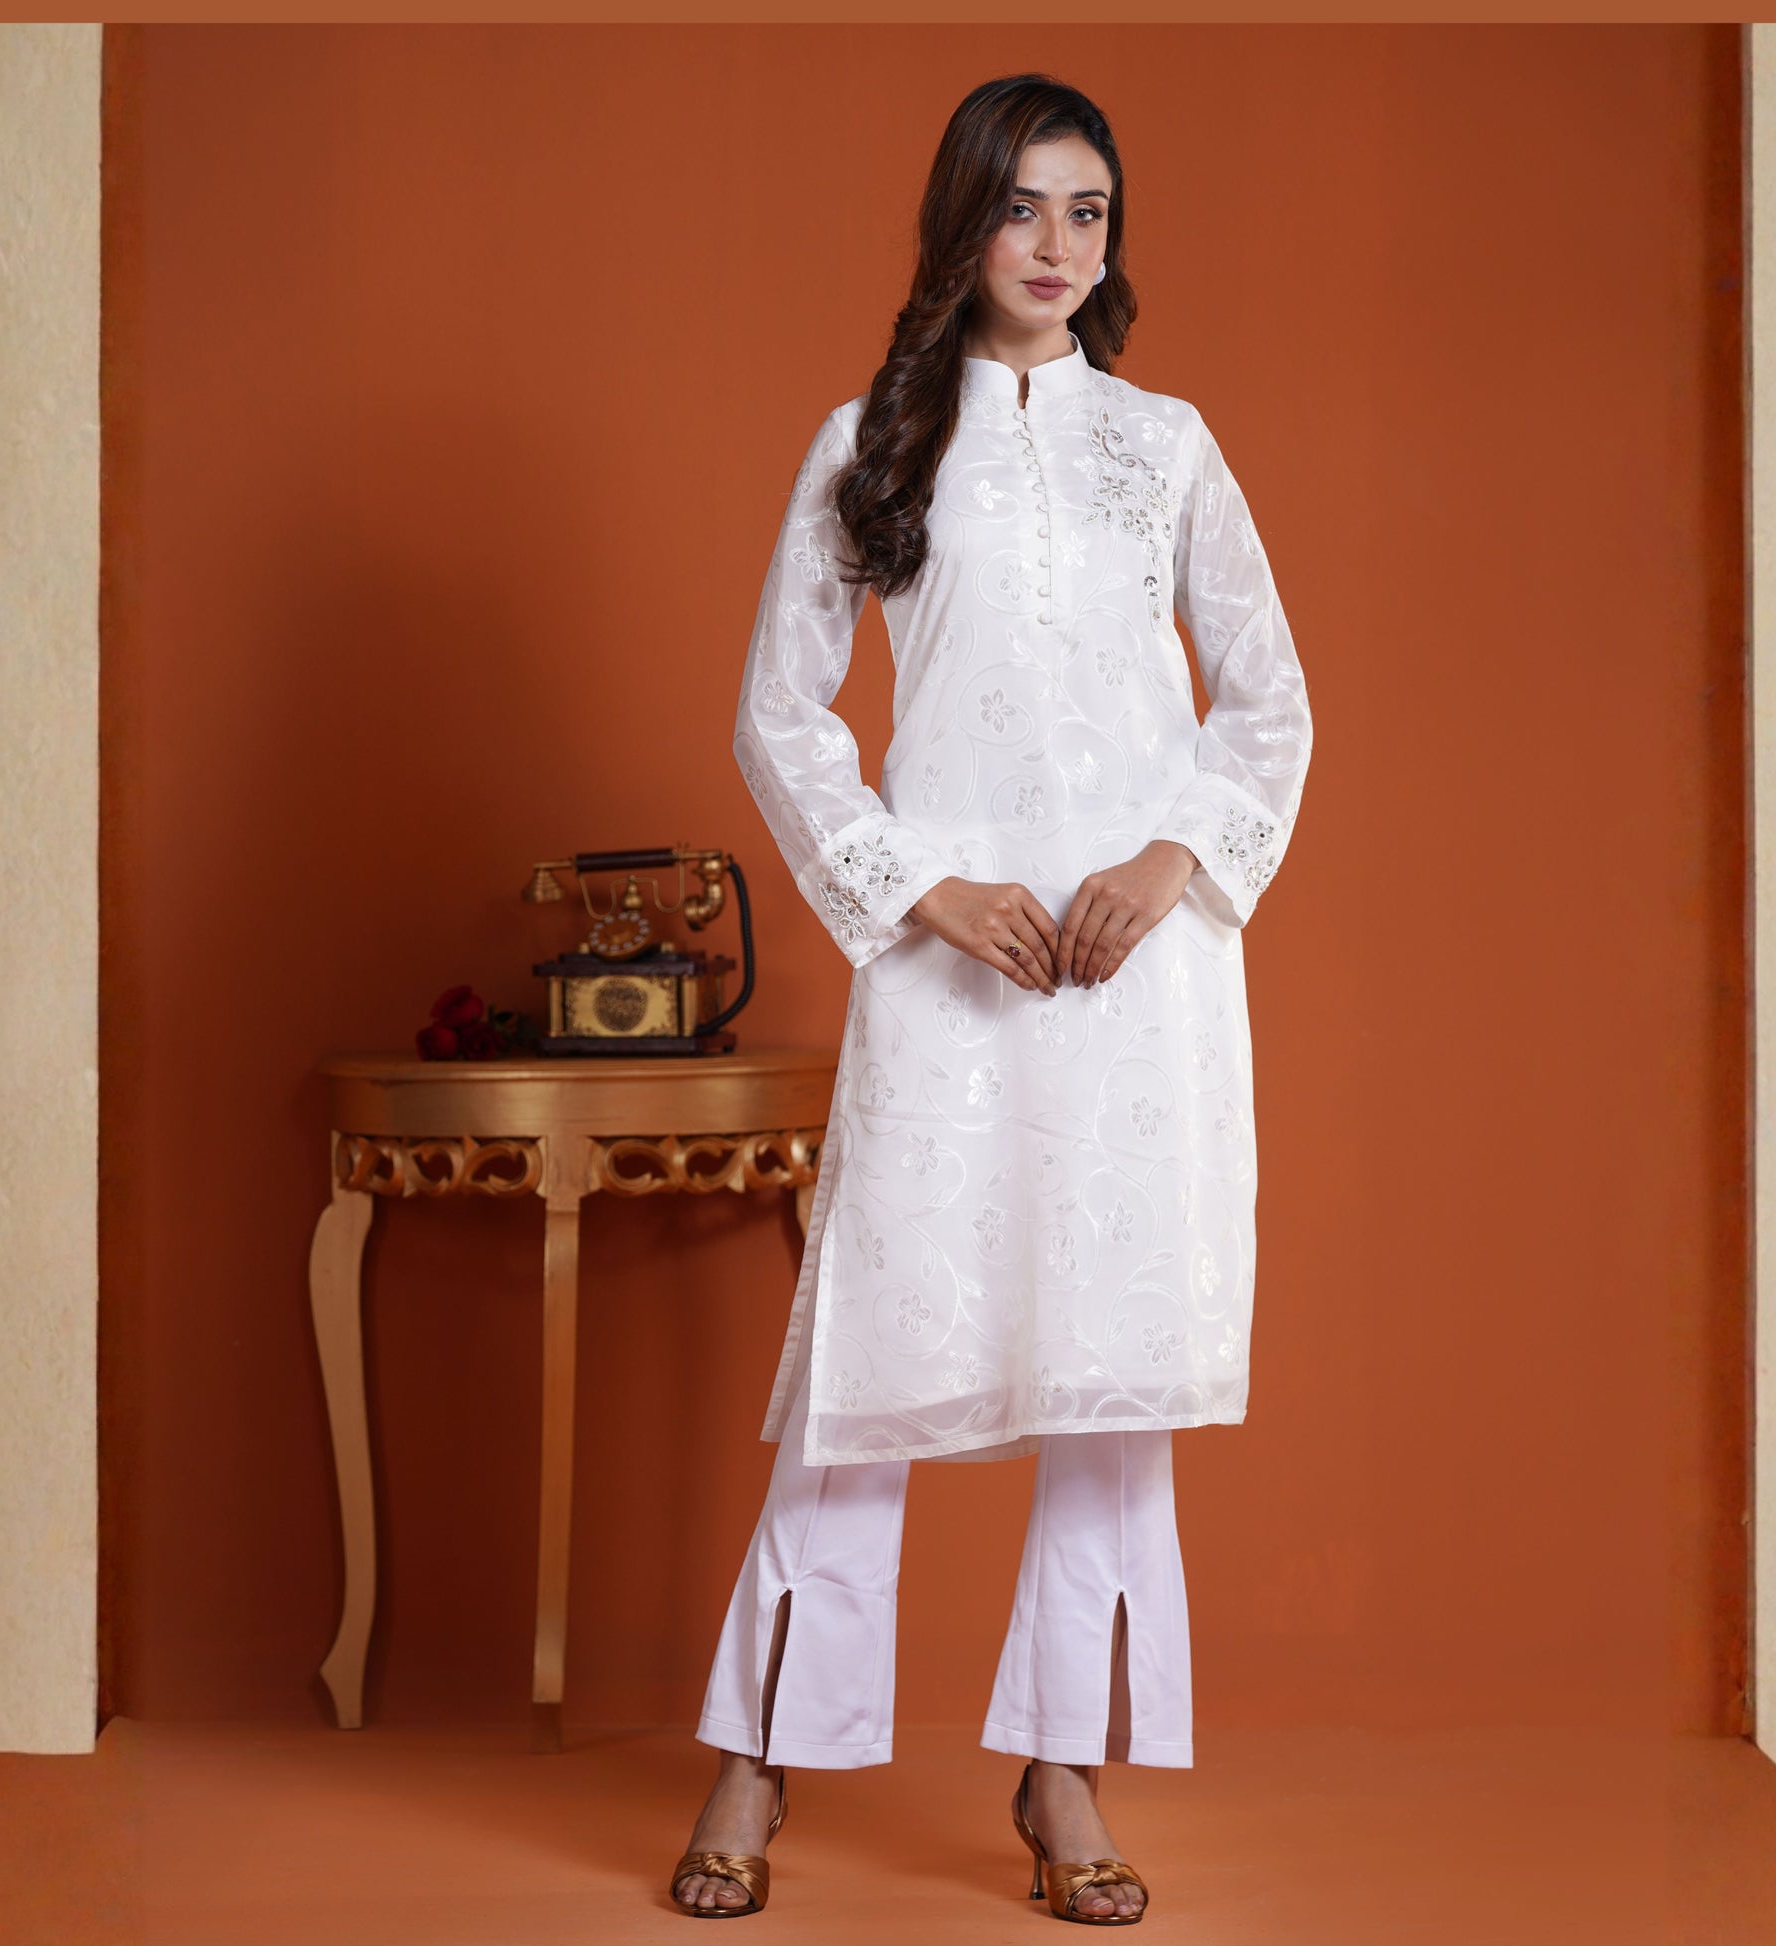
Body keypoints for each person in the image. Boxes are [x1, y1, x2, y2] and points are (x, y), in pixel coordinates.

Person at [669, 71, 1313, 1923]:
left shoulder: (1164, 445)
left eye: (1085, 211)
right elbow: (781, 712)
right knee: (866, 1367)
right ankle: (758, 1749)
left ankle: (1063, 1770)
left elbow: (1267, 699)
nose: (1054, 245)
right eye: (1022, 207)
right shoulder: (871, 441)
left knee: (1108, 1376)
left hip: (1134, 978)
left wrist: (1170, 863)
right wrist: (916, 889)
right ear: (962, 221)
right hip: (950, 960)